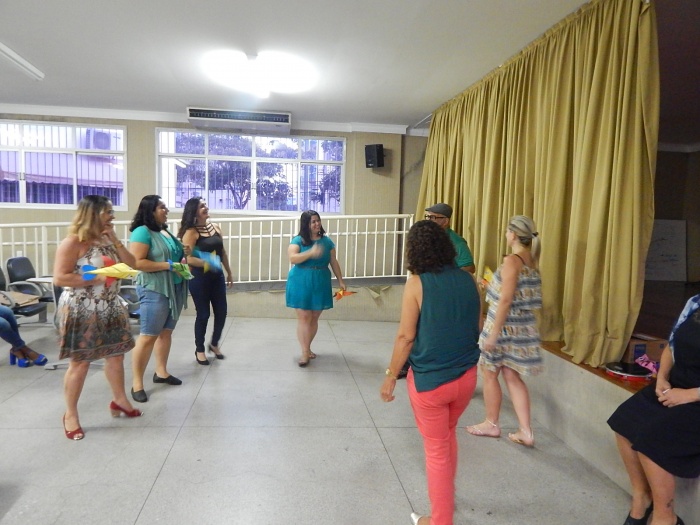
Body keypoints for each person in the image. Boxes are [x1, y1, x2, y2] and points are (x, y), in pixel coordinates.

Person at [380, 220, 482, 525]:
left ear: (415, 250)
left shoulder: (417, 284)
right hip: (466, 377)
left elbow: (405, 337)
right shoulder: (468, 280)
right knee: (448, 435)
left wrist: (390, 376)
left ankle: (440, 520)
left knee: (436, 450)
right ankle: (447, 498)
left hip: (431, 383)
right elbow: (477, 326)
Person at [53, 195, 142, 441]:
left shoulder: (106, 239)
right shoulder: (73, 242)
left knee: (116, 355)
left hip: (110, 306)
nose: (112, 216)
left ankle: (120, 400)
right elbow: (60, 278)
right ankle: (70, 414)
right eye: (108, 212)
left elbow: (133, 264)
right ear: (92, 214)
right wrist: (97, 278)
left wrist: (115, 240)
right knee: (80, 362)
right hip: (82, 308)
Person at [607, 295, 700, 525]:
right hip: (677, 385)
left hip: (695, 396)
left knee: (653, 440)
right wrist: (661, 378)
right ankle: (642, 497)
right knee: (625, 419)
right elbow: (671, 345)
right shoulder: (695, 302)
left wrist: (689, 395)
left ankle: (666, 517)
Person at [466, 215, 542, 447]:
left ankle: (491, 422)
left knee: (489, 372)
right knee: (511, 375)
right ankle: (526, 430)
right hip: (523, 327)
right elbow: (517, 293)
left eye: (508, 231)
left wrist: (493, 334)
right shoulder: (532, 260)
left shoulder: (512, 261)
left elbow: (506, 300)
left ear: (514, 234)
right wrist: (492, 285)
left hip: (504, 325)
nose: (506, 234)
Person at [129, 195, 189, 403]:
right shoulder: (142, 231)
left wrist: (183, 254)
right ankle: (137, 383)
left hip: (173, 287)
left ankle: (161, 372)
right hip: (155, 289)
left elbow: (173, 256)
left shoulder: (164, 230)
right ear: (150, 210)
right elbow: (137, 263)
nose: (166, 210)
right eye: (162, 207)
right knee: (148, 336)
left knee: (165, 332)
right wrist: (168, 266)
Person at [285, 210, 345, 367]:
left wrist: (340, 280)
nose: (317, 224)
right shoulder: (298, 240)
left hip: (320, 281)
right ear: (306, 224)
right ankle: (305, 352)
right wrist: (310, 253)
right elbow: (292, 258)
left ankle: (307, 347)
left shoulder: (327, 242)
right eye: (313, 221)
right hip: (301, 281)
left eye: (318, 220)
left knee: (314, 316)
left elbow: (333, 261)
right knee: (304, 316)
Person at [178, 197, 234, 365]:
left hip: (217, 277)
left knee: (222, 312)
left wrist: (229, 272)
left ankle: (214, 344)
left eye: (205, 205)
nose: (206, 208)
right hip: (199, 279)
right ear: (194, 211)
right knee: (203, 314)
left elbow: (222, 252)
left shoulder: (215, 227)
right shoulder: (191, 232)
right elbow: (187, 259)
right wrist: (208, 262)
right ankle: (200, 349)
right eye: (202, 206)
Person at [424, 203, 475, 274]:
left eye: (433, 217)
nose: (429, 220)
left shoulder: (456, 242)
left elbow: (469, 268)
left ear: (446, 221)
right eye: (428, 217)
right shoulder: (426, 236)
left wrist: (448, 276)